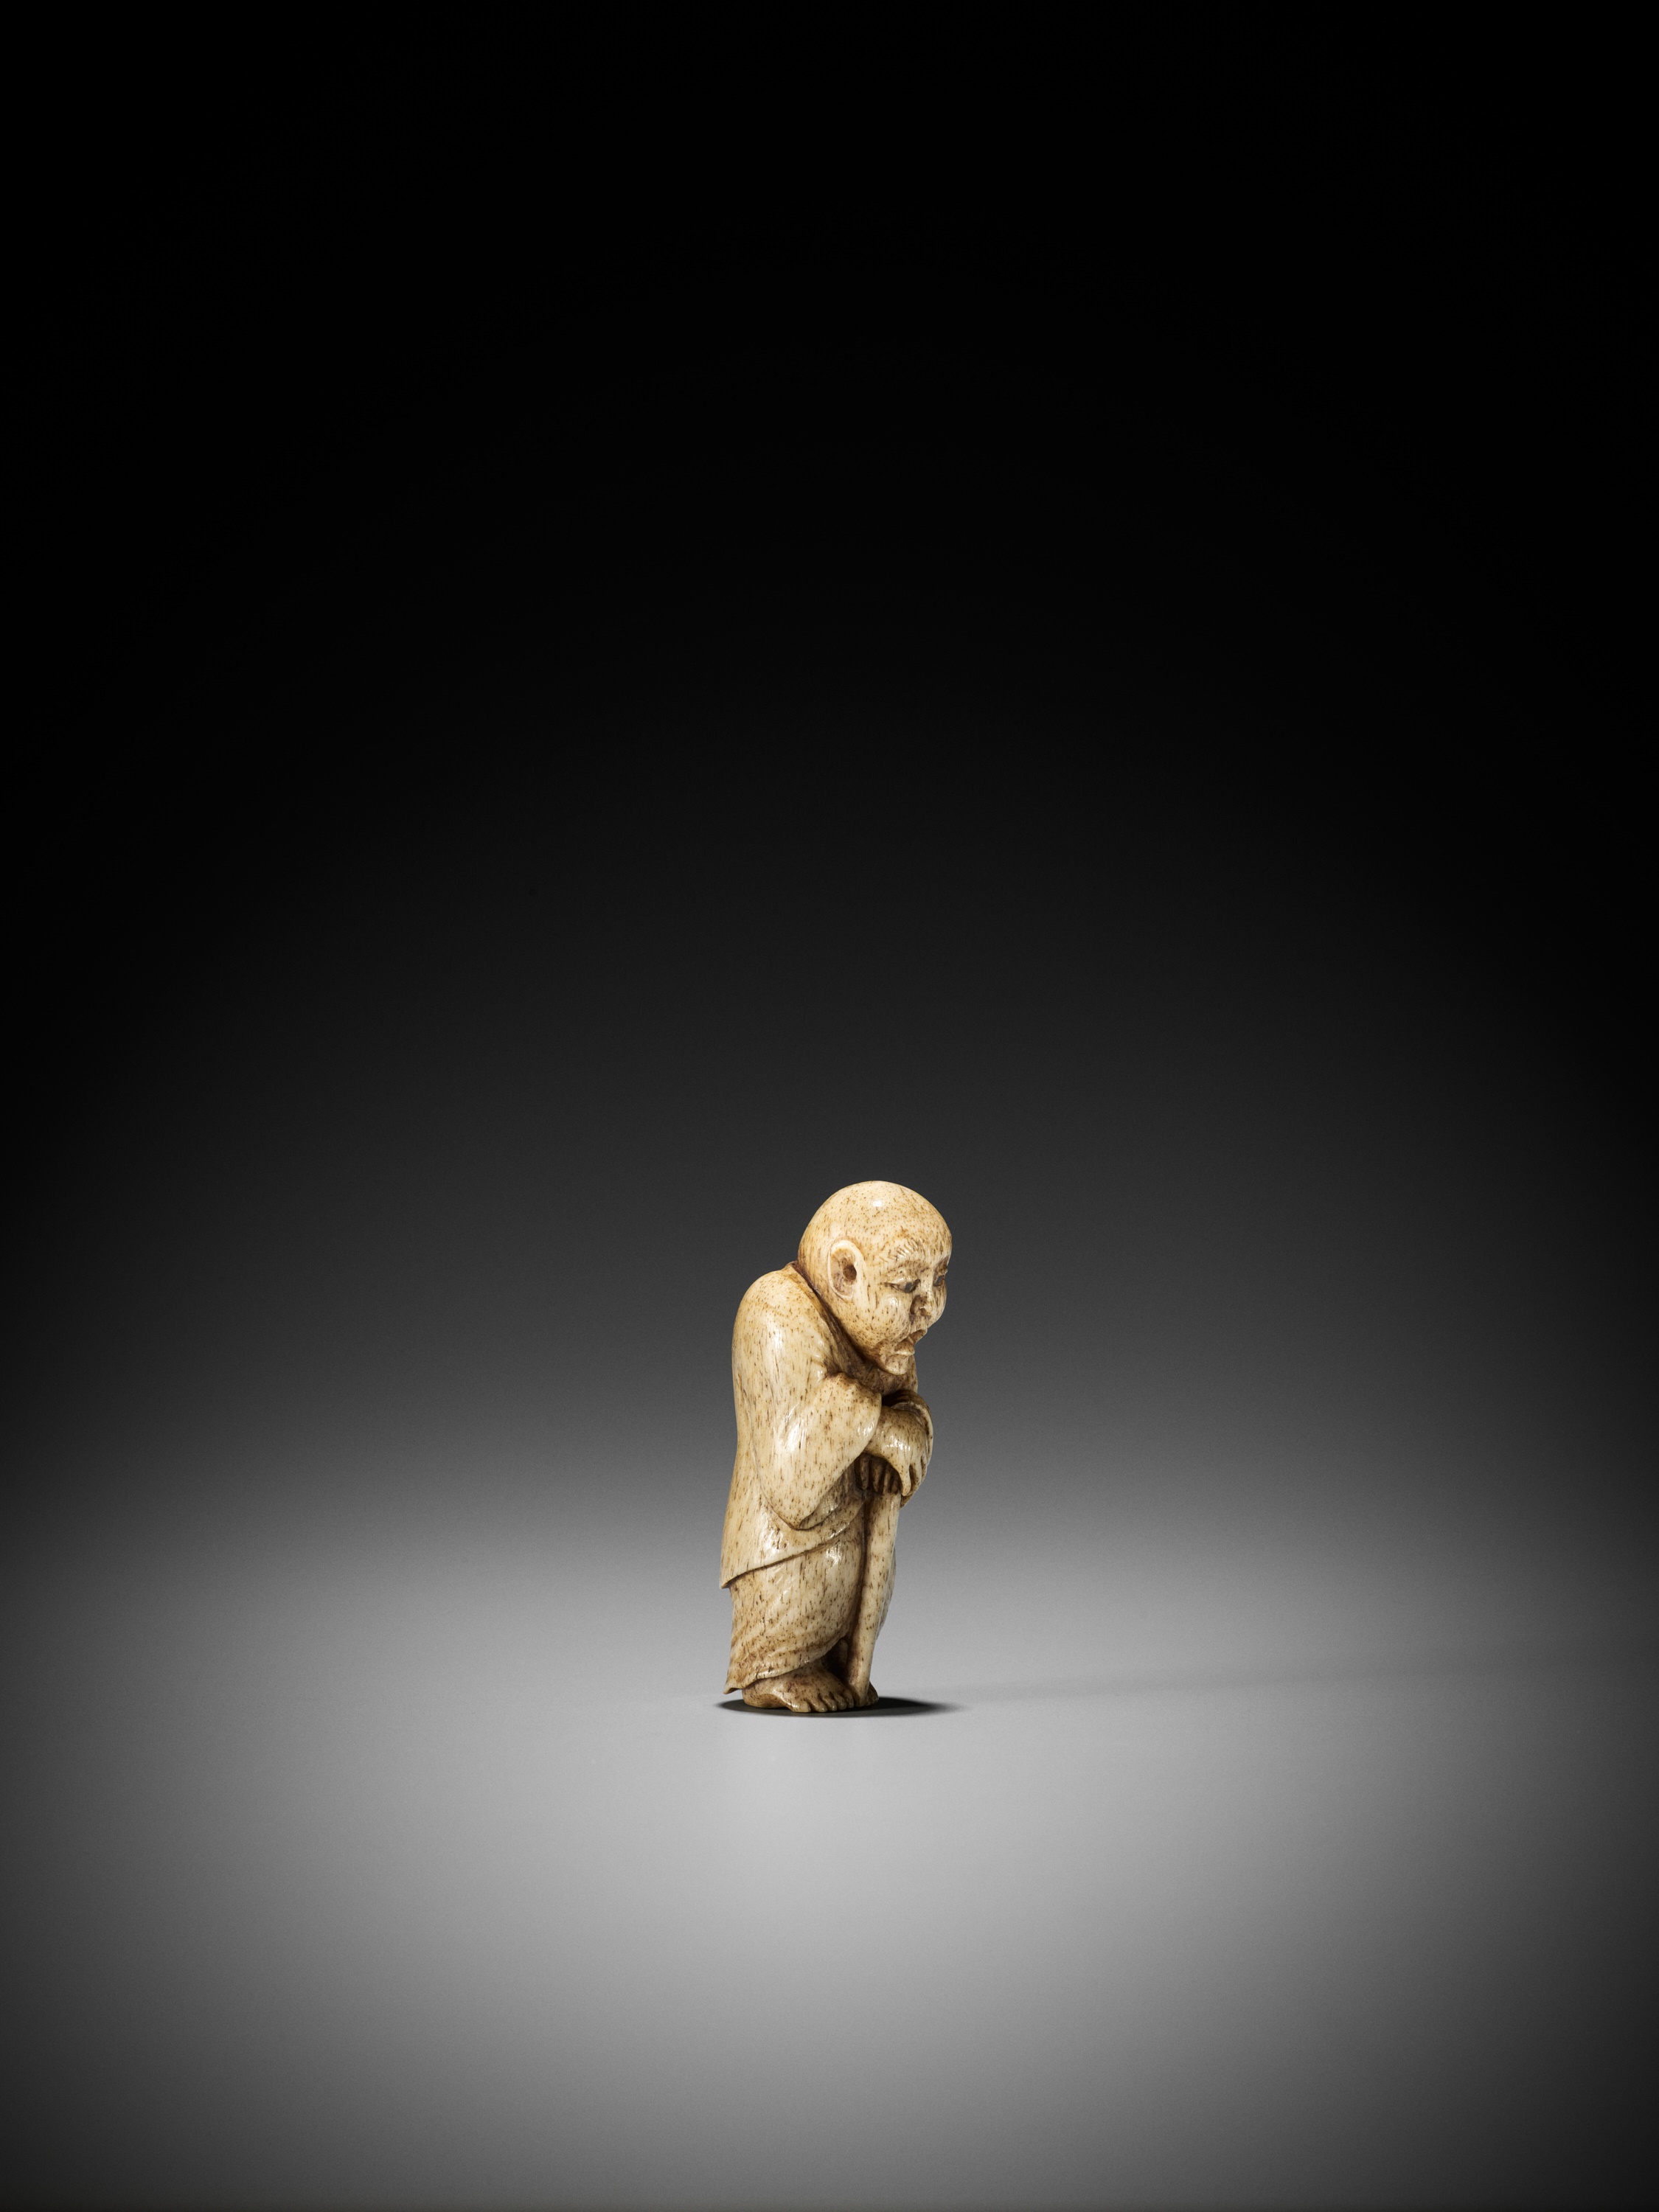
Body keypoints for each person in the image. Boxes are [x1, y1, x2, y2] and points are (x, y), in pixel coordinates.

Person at [720, 1180, 950, 1711]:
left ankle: (842, 1658)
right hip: (786, 1550)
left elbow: (906, 1413)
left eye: (939, 1280)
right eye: (906, 1286)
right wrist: (879, 1428)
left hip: (855, 1539)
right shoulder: (774, 1310)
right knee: (808, 1579)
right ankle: (777, 1672)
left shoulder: (886, 1334)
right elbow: (791, 1478)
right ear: (847, 1273)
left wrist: (911, 1427)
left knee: (864, 1581)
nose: (929, 1308)